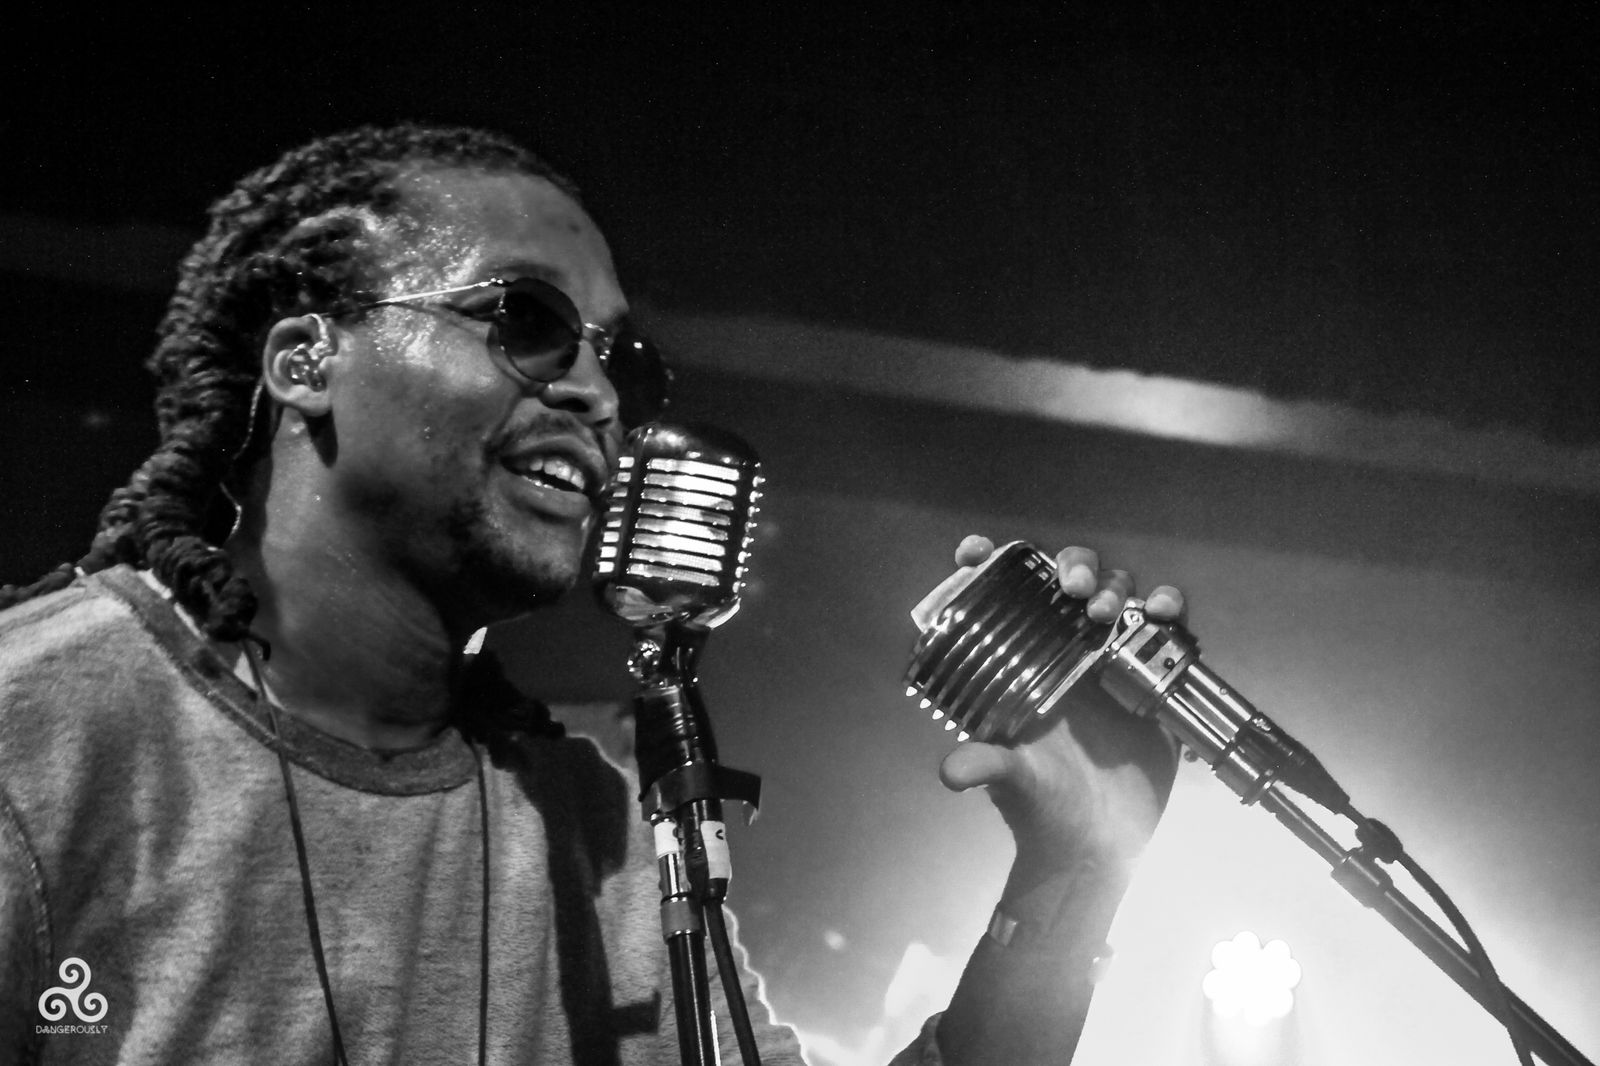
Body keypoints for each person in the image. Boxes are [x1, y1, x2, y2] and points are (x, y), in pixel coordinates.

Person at [0, 123, 1183, 1065]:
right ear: (305, 362)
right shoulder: (36, 733)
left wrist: (1073, 874)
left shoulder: (595, 824)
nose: (600, 398)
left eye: (624, 362)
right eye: (526, 321)